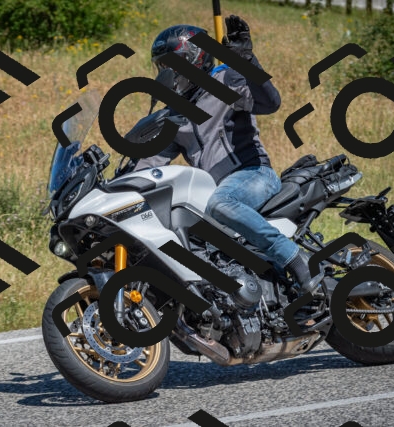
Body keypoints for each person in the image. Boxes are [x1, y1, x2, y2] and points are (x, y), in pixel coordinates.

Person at [132, 16, 321, 294]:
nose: (166, 73)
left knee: (220, 203)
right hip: (214, 191)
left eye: (171, 65)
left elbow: (270, 102)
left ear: (194, 60)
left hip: (252, 174)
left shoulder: (225, 80)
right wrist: (118, 189)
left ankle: (295, 258)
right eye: (161, 67)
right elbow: (149, 164)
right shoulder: (174, 115)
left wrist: (245, 60)